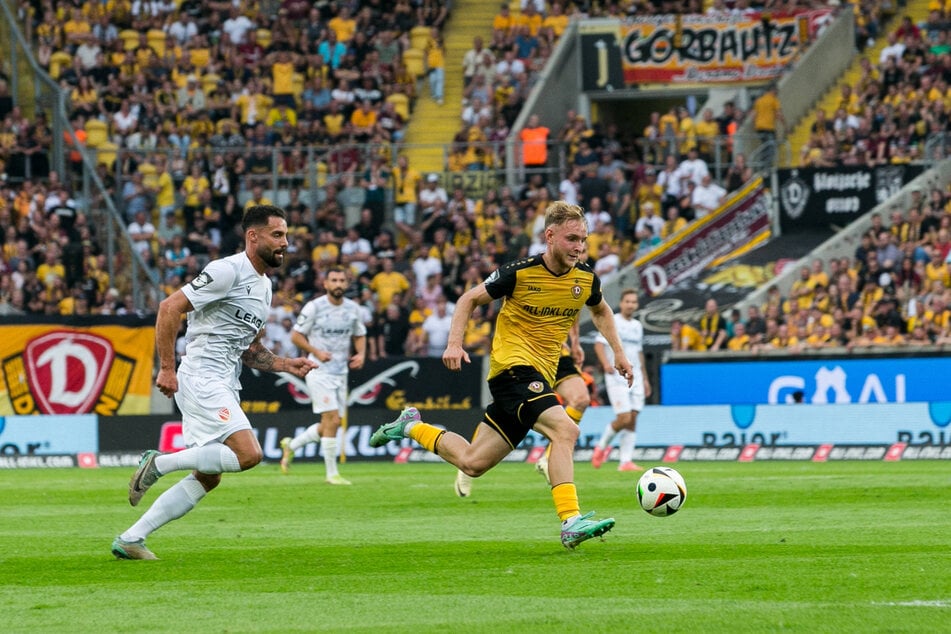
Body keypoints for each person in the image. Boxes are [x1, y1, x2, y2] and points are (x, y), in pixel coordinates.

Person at [369, 202, 634, 549]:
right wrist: (454, 344)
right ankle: (571, 521)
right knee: (566, 429)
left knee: (472, 462)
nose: (579, 247)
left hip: (539, 374)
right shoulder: (519, 272)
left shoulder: (585, 279)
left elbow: (601, 309)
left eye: (583, 240)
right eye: (571, 239)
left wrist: (618, 351)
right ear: (549, 236)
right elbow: (468, 299)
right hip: (512, 370)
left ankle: (410, 425)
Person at [111, 205, 318, 560]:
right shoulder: (227, 270)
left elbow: (249, 349)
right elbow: (169, 308)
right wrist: (167, 368)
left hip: (224, 379)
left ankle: (132, 538)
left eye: (286, 235)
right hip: (202, 376)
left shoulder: (264, 287)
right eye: (278, 235)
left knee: (209, 476)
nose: (285, 243)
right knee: (249, 455)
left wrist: (285, 364)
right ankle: (159, 463)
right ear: (253, 236)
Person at [453, 321, 589, 497]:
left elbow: (579, 307)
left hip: (556, 353)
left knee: (581, 399)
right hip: (522, 354)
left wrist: (575, 342)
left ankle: (548, 460)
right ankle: (468, 461)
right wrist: (455, 343)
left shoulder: (581, 292)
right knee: (501, 410)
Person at [279, 267, 367, 484]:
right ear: (325, 284)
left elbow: (360, 334)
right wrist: (317, 352)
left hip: (341, 372)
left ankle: (292, 445)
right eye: (334, 280)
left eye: (342, 280)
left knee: (330, 423)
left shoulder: (353, 309)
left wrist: (362, 354)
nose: (338, 284)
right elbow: (296, 336)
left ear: (346, 284)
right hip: (317, 370)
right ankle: (331, 474)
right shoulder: (314, 307)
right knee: (333, 419)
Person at [590, 289, 650, 472]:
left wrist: (645, 378)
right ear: (621, 303)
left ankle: (625, 461)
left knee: (633, 418)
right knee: (623, 418)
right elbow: (599, 344)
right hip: (617, 376)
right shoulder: (613, 320)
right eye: (627, 301)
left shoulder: (637, 326)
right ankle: (601, 447)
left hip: (637, 376)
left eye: (634, 302)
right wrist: (606, 364)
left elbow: (639, 353)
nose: (630, 305)